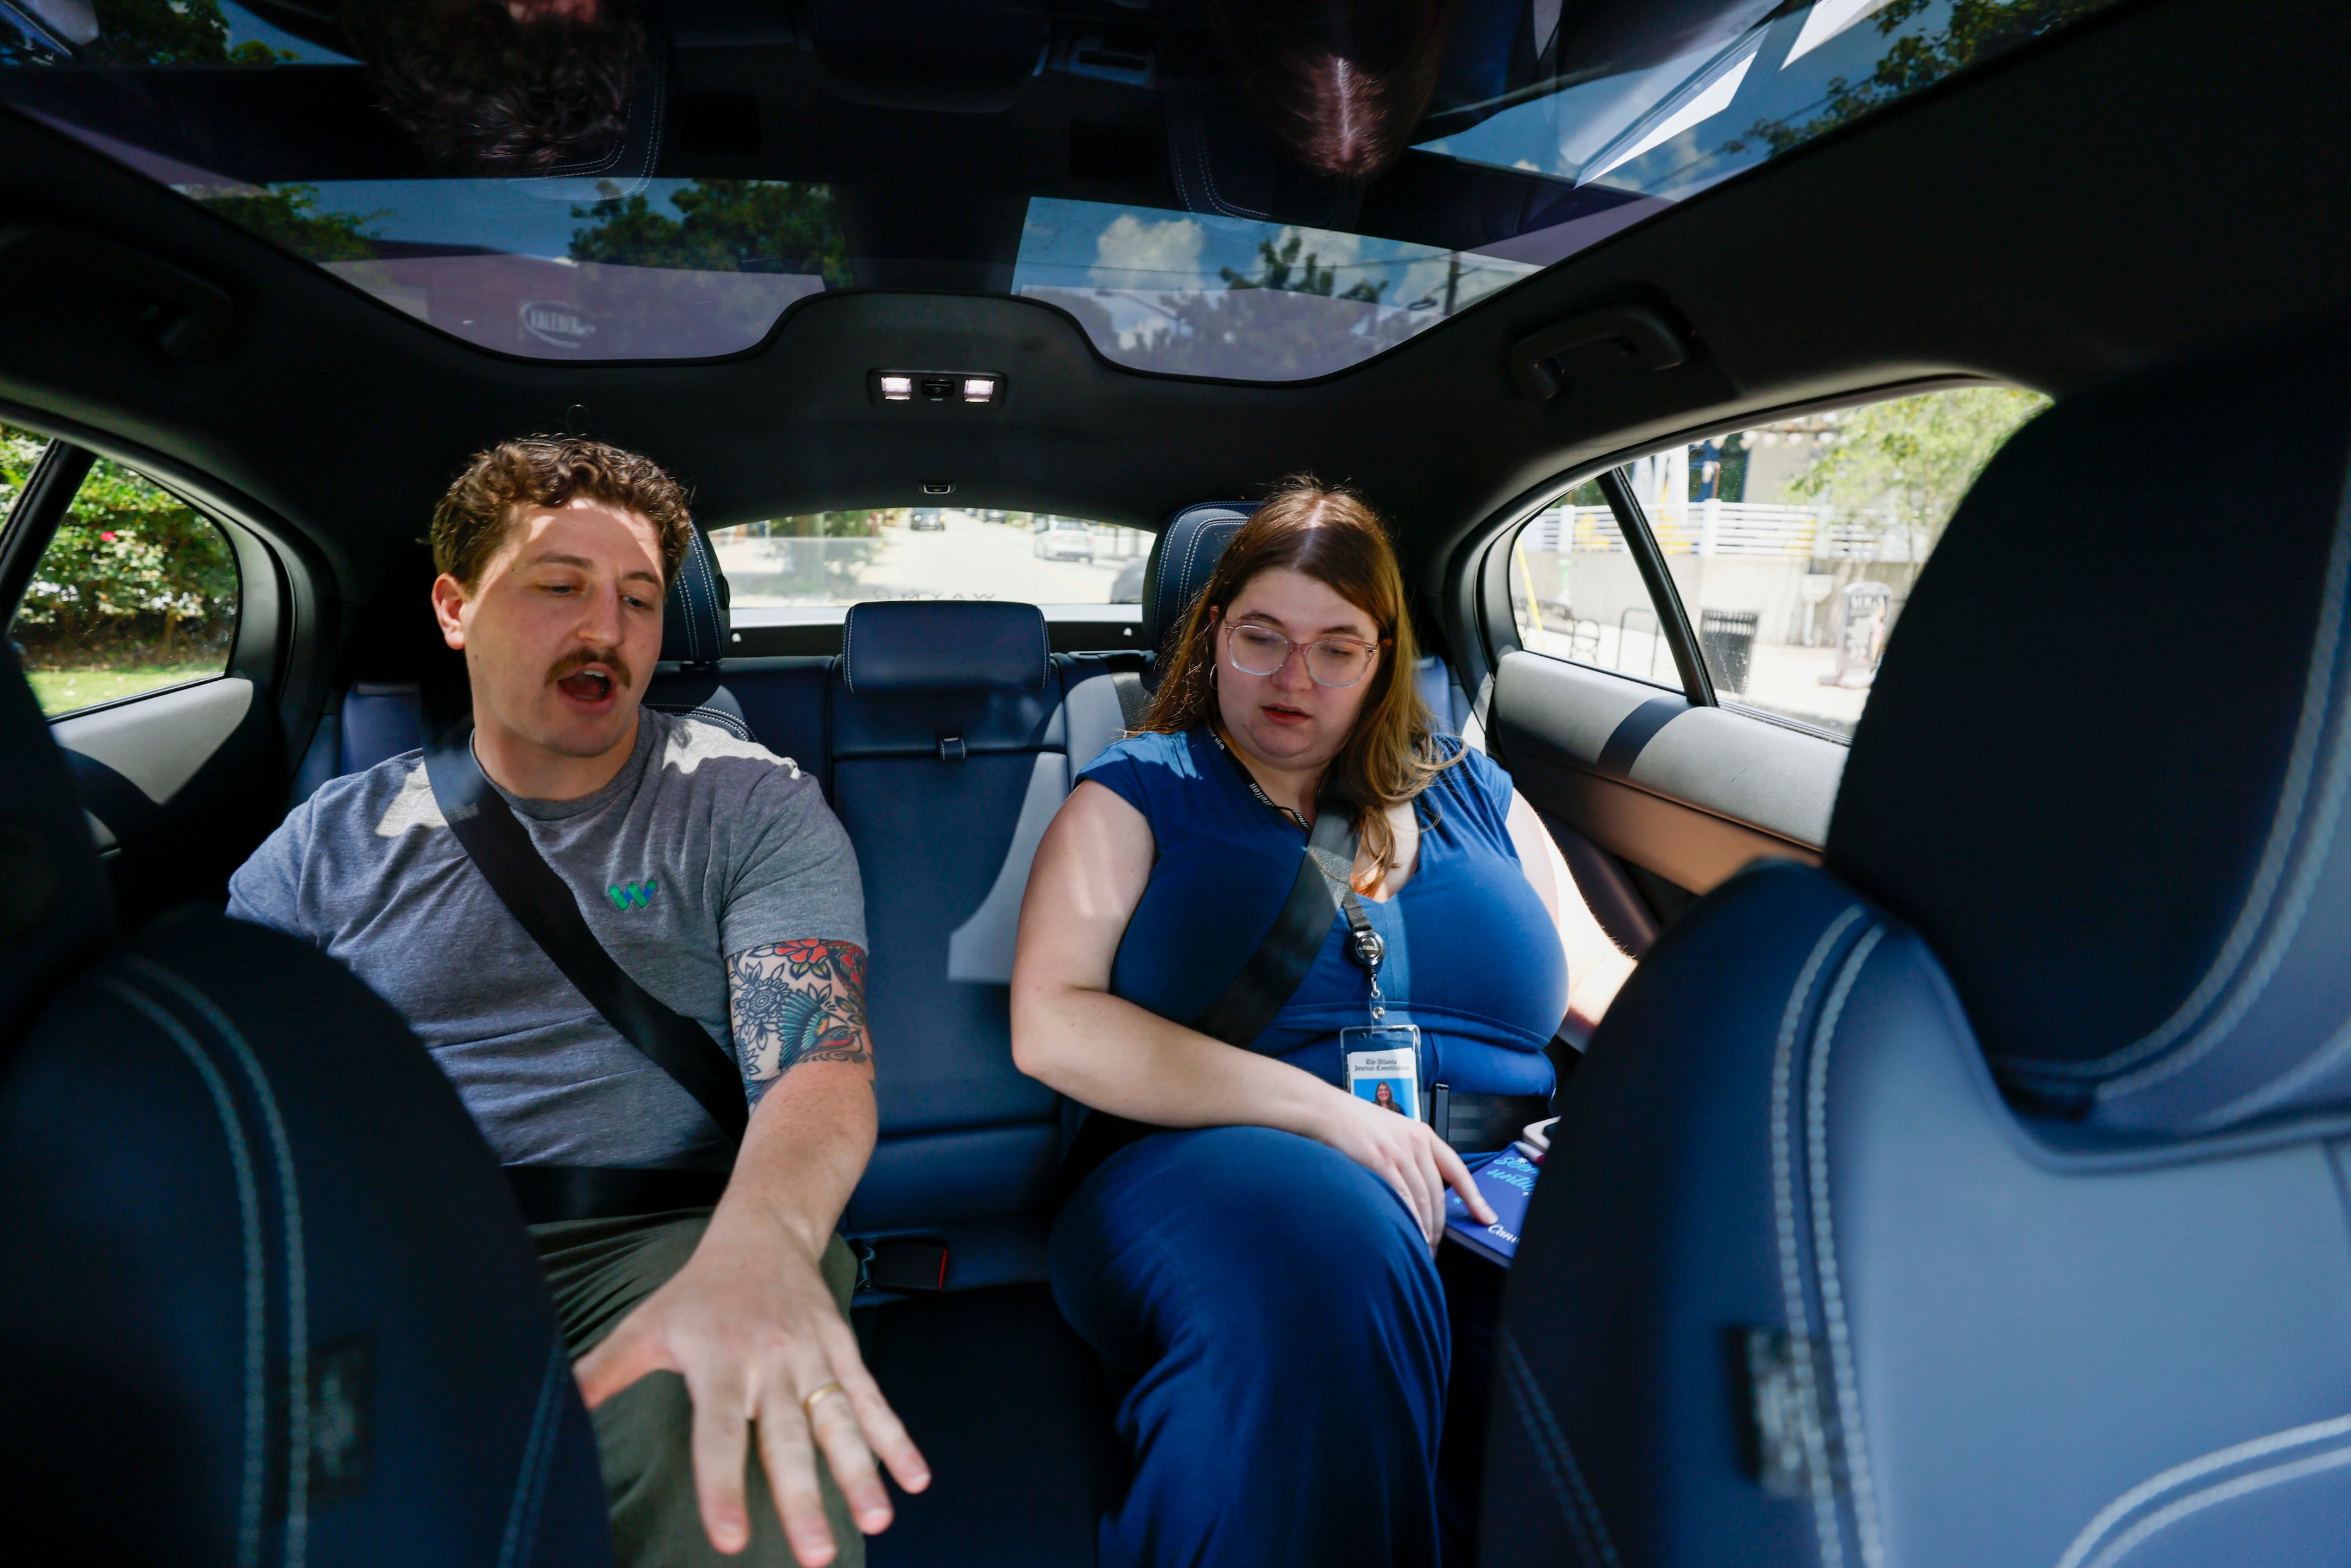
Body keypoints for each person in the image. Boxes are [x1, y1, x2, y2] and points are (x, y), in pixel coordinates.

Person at [227, 437, 929, 1568]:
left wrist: (765, 1246)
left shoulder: (748, 804)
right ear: (455, 608)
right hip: (401, 1253)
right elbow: (241, 1092)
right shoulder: (329, 843)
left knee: (729, 1433)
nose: (607, 627)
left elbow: (816, 1062)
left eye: (639, 600)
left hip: (669, 1236)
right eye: (560, 586)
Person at [1010, 476, 1634, 1568]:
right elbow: (1053, 1023)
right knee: (1325, 1265)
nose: (1294, 677)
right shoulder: (1142, 789)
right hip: (1221, 1166)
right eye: (1263, 637)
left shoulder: (1477, 792)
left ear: (1383, 659)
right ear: (1215, 633)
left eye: (1337, 648)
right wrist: (1329, 1115)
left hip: (1497, 1181)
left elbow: (1603, 979)